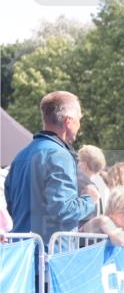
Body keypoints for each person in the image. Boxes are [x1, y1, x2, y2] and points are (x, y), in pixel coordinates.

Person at [4, 91, 99, 244]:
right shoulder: (59, 155)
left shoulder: (20, 156)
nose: (80, 126)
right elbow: (62, 210)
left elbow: (12, 206)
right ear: (68, 121)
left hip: (22, 250)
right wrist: (89, 200)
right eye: (79, 119)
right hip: (51, 252)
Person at [77, 144, 110, 215]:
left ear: (84, 164)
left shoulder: (83, 185)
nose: (77, 164)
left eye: (79, 160)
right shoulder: (103, 183)